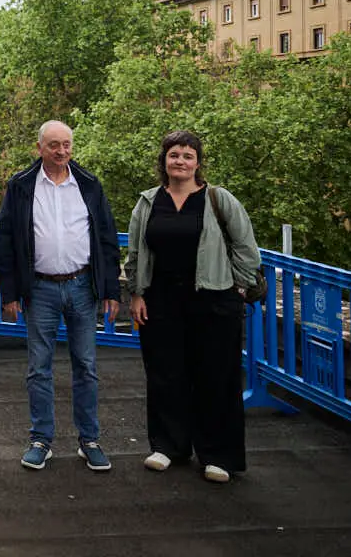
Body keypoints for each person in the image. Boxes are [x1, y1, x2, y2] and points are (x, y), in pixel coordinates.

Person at [125, 130, 261, 484]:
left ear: (198, 162)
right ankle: (169, 446)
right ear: (164, 161)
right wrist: (137, 293)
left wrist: (239, 288)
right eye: (173, 155)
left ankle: (218, 455)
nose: (180, 161)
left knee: (216, 376)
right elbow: (136, 254)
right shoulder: (148, 202)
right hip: (161, 299)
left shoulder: (219, 199)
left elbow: (247, 248)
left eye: (187, 155)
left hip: (214, 299)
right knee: (165, 374)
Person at [0, 120, 121, 472]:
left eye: (66, 144)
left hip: (82, 286)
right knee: (39, 368)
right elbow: (5, 241)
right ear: (40, 148)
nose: (61, 151)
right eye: (53, 145)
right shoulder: (20, 186)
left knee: (87, 365)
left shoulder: (89, 184)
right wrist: (10, 291)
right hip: (40, 287)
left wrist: (111, 288)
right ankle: (41, 440)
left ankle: (90, 440)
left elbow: (107, 239)